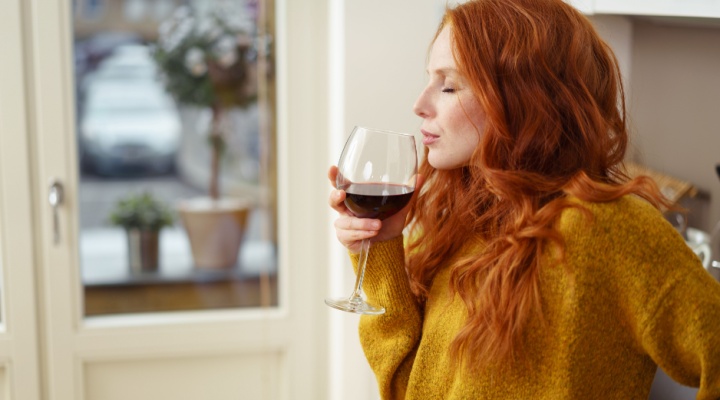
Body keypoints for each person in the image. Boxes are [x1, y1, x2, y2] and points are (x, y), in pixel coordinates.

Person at [327, 0, 720, 399]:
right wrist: (380, 248)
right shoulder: (459, 228)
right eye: (429, 79)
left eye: (448, 85)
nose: (419, 104)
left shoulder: (605, 229)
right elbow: (406, 389)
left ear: (521, 98)